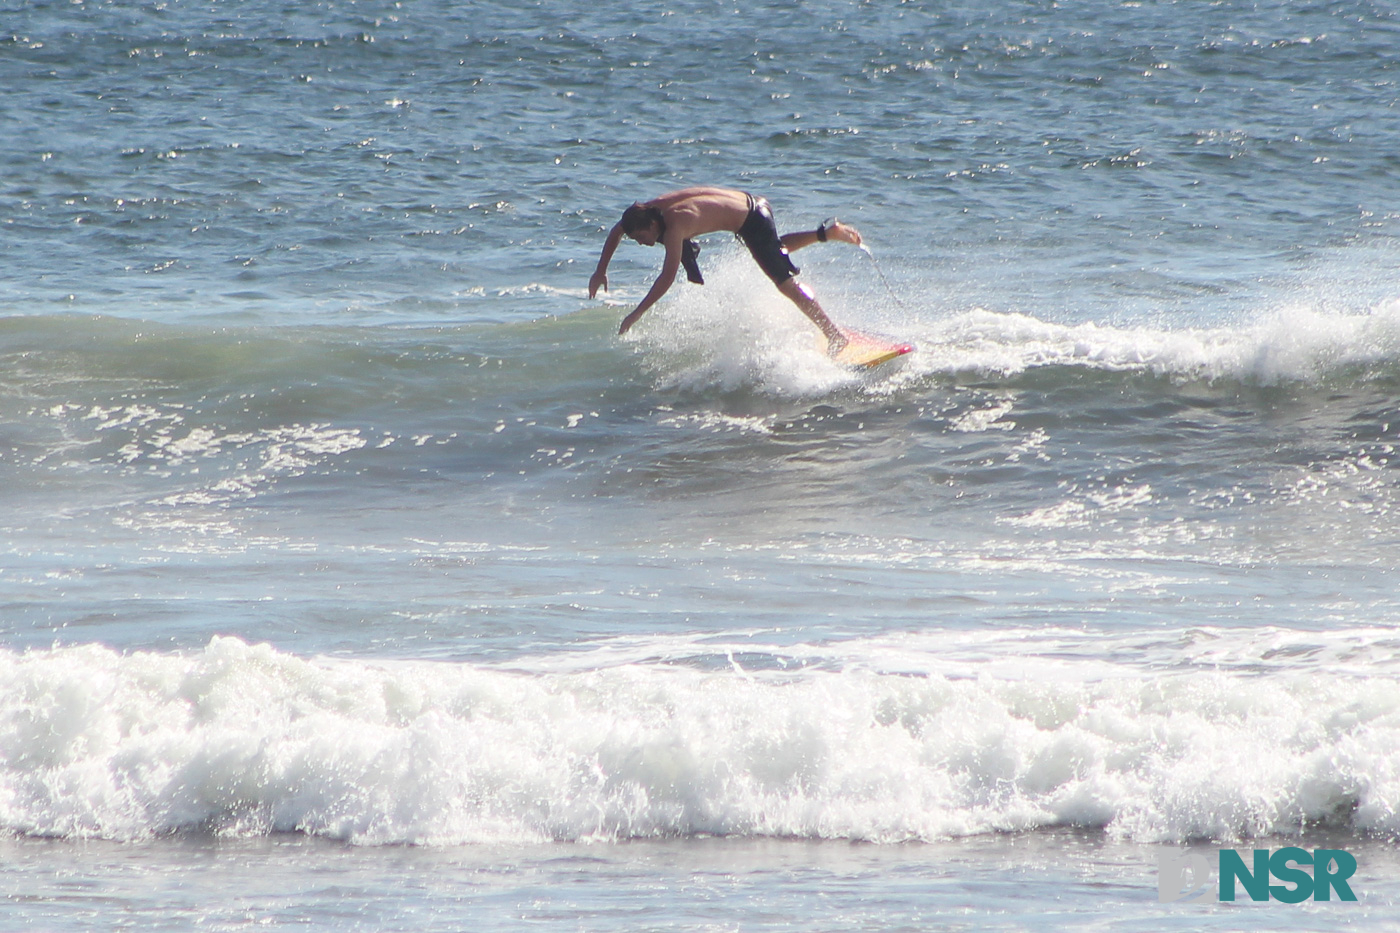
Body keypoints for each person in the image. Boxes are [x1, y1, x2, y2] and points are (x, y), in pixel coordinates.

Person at [588, 186, 862, 354]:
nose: (641, 244)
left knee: (784, 282)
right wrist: (600, 271)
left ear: (652, 227)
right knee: (773, 249)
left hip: (752, 219)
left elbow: (667, 277)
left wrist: (634, 316)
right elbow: (617, 230)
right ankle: (827, 234)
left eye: (640, 238)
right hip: (751, 205)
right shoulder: (650, 210)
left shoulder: (674, 226)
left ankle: (835, 337)